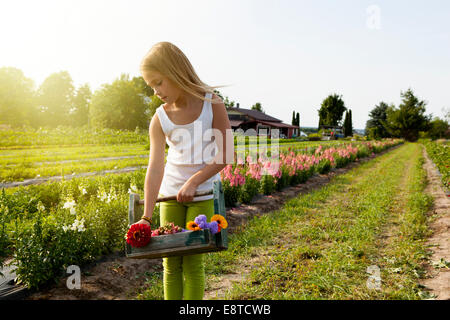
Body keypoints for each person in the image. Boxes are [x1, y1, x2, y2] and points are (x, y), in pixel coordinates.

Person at [136, 41, 234, 300]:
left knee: (192, 263)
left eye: (158, 82)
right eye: (151, 86)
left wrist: (194, 181)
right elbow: (155, 166)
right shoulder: (159, 118)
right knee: (171, 265)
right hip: (169, 197)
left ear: (175, 71)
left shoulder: (211, 104)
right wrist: (146, 216)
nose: (156, 91)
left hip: (201, 194)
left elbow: (226, 155)